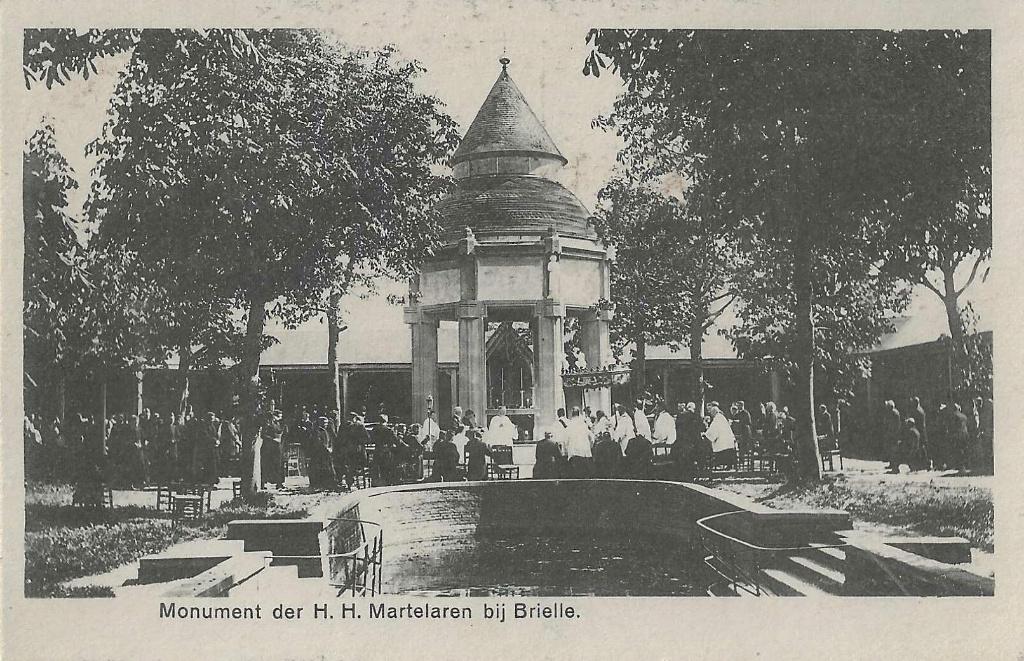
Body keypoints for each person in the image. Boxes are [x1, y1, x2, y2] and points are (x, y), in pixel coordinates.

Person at [704, 404, 737, 469]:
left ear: (714, 412)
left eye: (711, 412)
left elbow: (713, 430)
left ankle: (715, 464)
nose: (711, 414)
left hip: (723, 443)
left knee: (711, 444)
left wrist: (705, 434)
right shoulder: (721, 417)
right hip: (728, 442)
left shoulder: (717, 418)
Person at [564, 406, 594, 478]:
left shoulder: (569, 425)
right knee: (584, 476)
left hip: (574, 455)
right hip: (585, 455)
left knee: (575, 476)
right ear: (579, 414)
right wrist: (590, 447)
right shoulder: (584, 425)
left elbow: (565, 441)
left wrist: (566, 451)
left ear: (572, 414)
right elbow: (592, 438)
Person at [371, 415, 400, 487]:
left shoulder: (374, 429)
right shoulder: (389, 430)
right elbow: (397, 440)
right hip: (386, 451)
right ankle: (387, 482)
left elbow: (371, 440)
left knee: (378, 467)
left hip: (377, 450)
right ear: (386, 421)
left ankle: (378, 482)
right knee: (387, 467)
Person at [260, 408, 284, 489]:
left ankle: (279, 483)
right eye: (278, 416)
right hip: (268, 447)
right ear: (274, 416)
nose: (280, 418)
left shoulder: (278, 423)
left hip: (276, 447)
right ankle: (262, 484)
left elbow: (279, 432)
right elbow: (263, 435)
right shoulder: (268, 423)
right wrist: (273, 439)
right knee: (266, 465)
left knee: (278, 465)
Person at [882, 400, 903, 472]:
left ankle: (895, 466)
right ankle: (892, 464)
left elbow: (893, 425)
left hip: (893, 434)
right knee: (891, 449)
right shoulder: (893, 412)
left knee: (893, 450)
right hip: (892, 434)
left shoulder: (894, 413)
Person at [909, 396, 929, 469]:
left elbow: (918, 423)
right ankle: (924, 463)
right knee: (921, 447)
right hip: (921, 430)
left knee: (920, 447)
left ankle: (926, 463)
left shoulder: (918, 411)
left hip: (920, 431)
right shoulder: (920, 410)